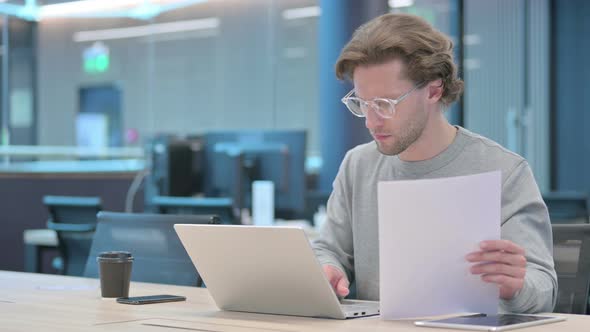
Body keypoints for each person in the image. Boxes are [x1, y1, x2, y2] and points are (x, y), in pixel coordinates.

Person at [312, 13, 557, 314]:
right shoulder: (358, 165)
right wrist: (327, 269)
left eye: (385, 104)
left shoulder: (504, 171)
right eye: (362, 103)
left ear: (433, 90)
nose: (371, 121)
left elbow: (544, 285)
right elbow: (328, 250)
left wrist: (516, 286)